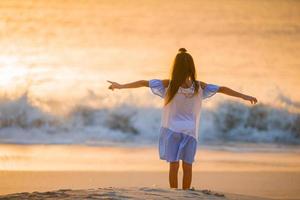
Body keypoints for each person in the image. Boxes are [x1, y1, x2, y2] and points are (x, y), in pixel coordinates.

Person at [107, 48, 257, 190]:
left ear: (175, 68)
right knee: (187, 166)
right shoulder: (198, 86)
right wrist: (244, 96)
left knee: (173, 166)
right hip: (190, 132)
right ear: (192, 68)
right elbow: (223, 89)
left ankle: (174, 194)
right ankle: (185, 195)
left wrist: (120, 86)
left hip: (172, 130)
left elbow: (142, 83)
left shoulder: (169, 85)